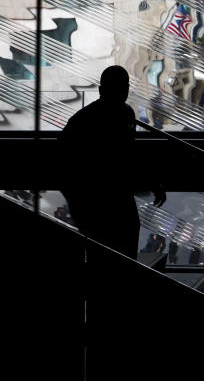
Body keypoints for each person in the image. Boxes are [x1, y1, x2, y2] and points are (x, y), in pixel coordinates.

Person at [59, 65, 166, 258]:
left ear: (101, 90)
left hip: (93, 200)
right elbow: (127, 157)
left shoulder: (83, 119)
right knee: (126, 244)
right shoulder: (125, 114)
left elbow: (65, 159)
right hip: (116, 197)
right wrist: (149, 182)